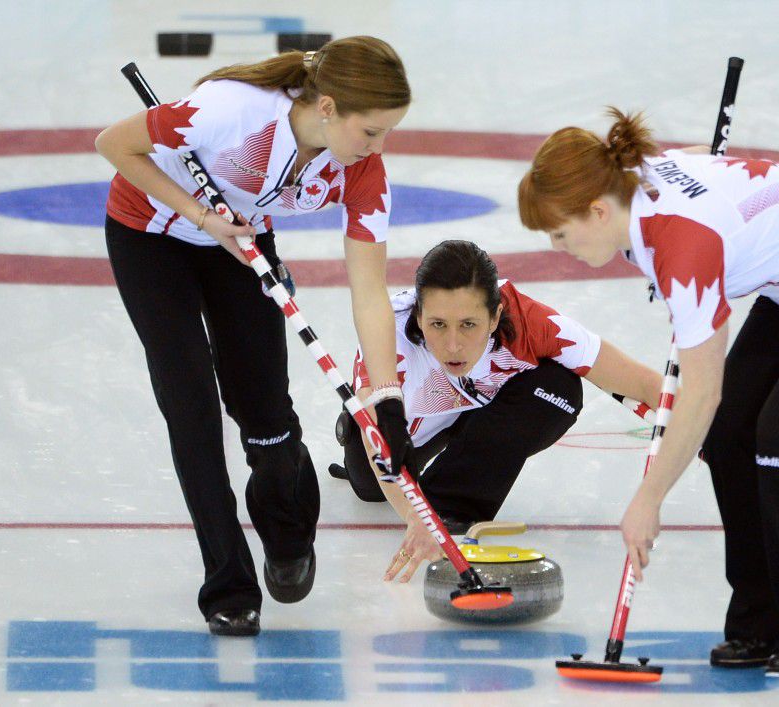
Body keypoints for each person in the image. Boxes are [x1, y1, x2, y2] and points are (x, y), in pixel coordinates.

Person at [517, 108, 779, 678]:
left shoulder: (683, 249)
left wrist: (648, 500)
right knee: (733, 432)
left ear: (598, 209)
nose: (559, 246)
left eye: (561, 232)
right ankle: (764, 620)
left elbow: (701, 393)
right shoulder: (632, 175)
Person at [94, 36, 414, 636]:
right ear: (328, 108)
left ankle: (288, 532)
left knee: (266, 413)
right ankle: (228, 583)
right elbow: (113, 144)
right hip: (152, 237)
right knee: (190, 407)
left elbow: (369, 290)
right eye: (370, 131)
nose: (378, 147)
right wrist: (201, 217)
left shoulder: (361, 171)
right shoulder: (230, 111)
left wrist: (385, 395)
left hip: (239, 244)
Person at [328, 239, 663, 582]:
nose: (453, 344)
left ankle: (450, 504)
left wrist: (702, 429)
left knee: (558, 386)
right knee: (370, 488)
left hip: (475, 412)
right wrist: (415, 517)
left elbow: (645, 384)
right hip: (403, 428)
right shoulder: (388, 341)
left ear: (495, 316)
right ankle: (356, 424)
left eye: (469, 324)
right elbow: (378, 446)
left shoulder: (529, 320)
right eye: (438, 324)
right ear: (418, 315)